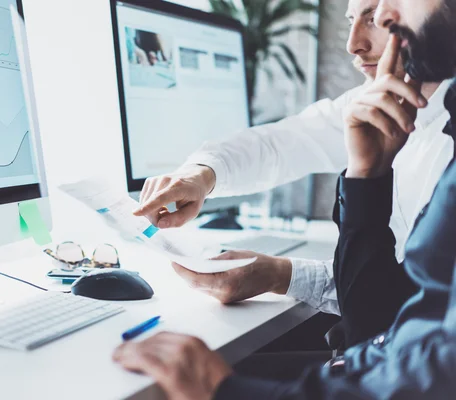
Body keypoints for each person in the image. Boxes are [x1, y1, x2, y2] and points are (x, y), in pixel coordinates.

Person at [113, 0, 456, 398]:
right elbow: (283, 141)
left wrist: (226, 391)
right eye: (354, 18)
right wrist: (202, 175)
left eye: (376, 11)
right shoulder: (391, 101)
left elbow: (424, 358)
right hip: (378, 356)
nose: (356, 42)